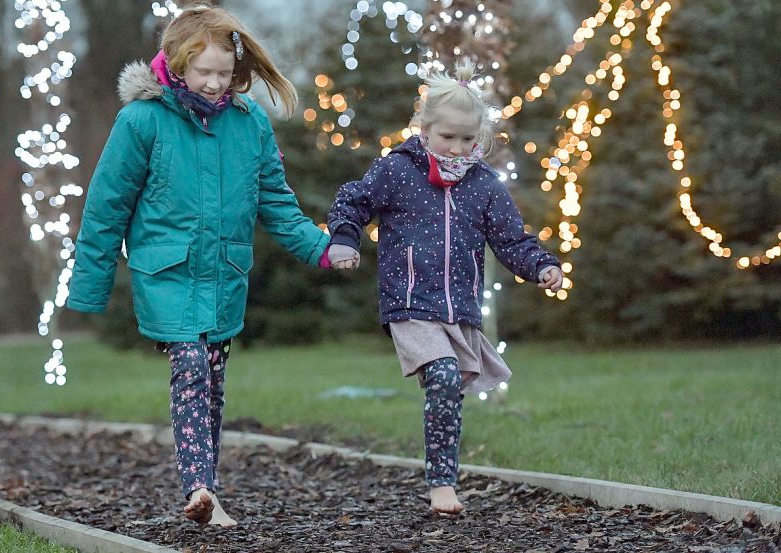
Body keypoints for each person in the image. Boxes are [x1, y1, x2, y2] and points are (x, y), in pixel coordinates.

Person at [65, 3, 330, 527]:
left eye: (224, 74)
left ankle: (207, 486)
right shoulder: (142, 119)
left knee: (211, 377)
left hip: (225, 274)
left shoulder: (249, 123)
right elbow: (106, 206)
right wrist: (89, 288)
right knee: (189, 368)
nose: (214, 84)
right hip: (168, 272)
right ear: (177, 64)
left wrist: (319, 247)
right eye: (204, 72)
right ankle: (200, 487)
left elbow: (275, 201)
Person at [325, 59, 563, 515]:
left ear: (480, 138)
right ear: (424, 128)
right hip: (410, 302)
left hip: (460, 310)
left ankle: (443, 476)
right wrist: (342, 241)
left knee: (449, 387)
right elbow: (354, 200)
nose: (456, 148)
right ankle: (442, 485)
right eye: (446, 137)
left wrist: (542, 267)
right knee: (444, 375)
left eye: (467, 139)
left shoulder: (485, 186)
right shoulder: (397, 170)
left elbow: (511, 239)